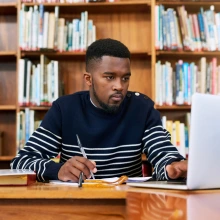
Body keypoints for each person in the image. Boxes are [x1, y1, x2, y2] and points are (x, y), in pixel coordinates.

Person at [11, 38, 187, 182]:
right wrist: (58, 170)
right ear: (88, 79)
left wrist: (172, 168)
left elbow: (163, 153)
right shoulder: (64, 109)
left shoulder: (142, 108)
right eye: (109, 77)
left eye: (125, 78)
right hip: (75, 204)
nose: (119, 86)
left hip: (127, 204)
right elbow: (20, 163)